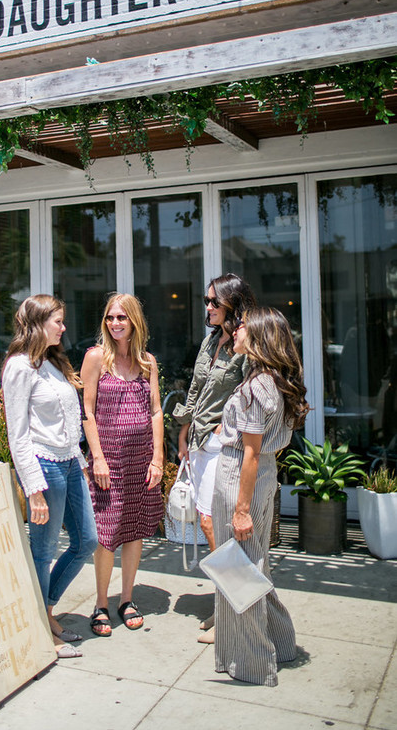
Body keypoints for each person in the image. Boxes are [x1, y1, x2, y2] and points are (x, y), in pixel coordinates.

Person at [211, 306, 310, 686]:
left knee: (237, 571)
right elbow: (262, 447)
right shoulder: (272, 381)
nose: (234, 332)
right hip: (261, 473)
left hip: (241, 476)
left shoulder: (256, 386)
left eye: (241, 328)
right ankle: (282, 644)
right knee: (254, 565)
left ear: (258, 337)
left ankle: (253, 663)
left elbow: (250, 453)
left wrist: (240, 510)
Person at [2, 294, 98, 659]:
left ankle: (46, 608)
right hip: (44, 466)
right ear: (37, 323)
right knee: (42, 551)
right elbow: (18, 433)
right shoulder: (19, 367)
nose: (63, 326)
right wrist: (34, 489)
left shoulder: (53, 362)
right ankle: (42, 626)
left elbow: (70, 421)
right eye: (57, 320)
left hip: (70, 463)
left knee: (86, 540)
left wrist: (82, 465)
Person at [173, 273, 256, 641]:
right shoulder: (210, 342)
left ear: (232, 305)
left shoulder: (245, 344)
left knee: (217, 525)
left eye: (213, 302)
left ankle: (232, 610)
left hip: (225, 448)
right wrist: (183, 433)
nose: (207, 307)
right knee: (207, 523)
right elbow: (196, 388)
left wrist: (229, 430)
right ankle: (228, 603)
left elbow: (252, 391)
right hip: (200, 444)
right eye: (206, 301)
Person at [81, 293, 164, 637]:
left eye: (122, 318)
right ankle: (101, 603)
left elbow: (157, 410)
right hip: (108, 461)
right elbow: (86, 411)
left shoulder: (147, 362)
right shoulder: (96, 358)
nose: (115, 323)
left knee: (134, 531)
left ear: (134, 322)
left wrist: (158, 458)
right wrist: (97, 457)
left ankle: (126, 599)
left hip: (141, 459)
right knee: (105, 533)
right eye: (110, 318)